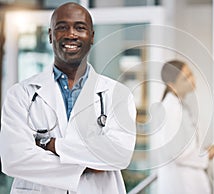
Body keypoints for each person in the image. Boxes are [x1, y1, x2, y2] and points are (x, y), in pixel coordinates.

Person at [0, 2, 136, 194]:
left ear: (92, 37)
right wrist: (88, 164)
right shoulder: (21, 94)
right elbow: (13, 159)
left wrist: (51, 145)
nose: (71, 34)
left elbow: (119, 155)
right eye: (62, 27)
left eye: (80, 28)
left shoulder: (118, 95)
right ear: (50, 35)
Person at [156, 60, 214, 194]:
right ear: (172, 85)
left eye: (191, 74)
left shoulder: (181, 105)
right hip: (180, 183)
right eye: (185, 78)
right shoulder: (170, 109)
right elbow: (177, 153)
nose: (192, 80)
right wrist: (206, 156)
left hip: (189, 180)